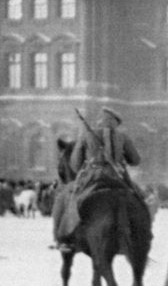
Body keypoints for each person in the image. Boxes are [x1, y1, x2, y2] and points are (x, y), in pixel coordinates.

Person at [52, 107, 144, 251]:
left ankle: (65, 239)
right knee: (137, 199)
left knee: (72, 200)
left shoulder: (87, 135)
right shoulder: (123, 136)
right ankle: (139, 237)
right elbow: (136, 160)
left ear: (100, 120)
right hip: (117, 176)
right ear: (116, 122)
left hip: (92, 176)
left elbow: (75, 165)